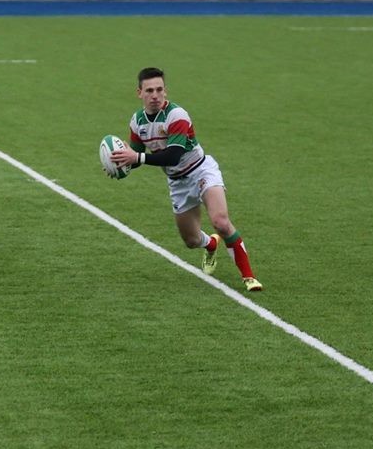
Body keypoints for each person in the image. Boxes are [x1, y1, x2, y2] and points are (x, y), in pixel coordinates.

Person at [109, 67, 263, 292]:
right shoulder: (137, 122)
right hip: (177, 182)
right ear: (139, 93)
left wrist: (136, 158)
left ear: (165, 91)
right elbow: (136, 156)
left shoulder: (176, 115)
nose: (155, 95)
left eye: (159, 89)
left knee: (220, 221)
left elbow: (173, 156)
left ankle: (249, 277)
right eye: (149, 90)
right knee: (191, 241)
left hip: (201, 171)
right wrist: (118, 164)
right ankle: (210, 244)